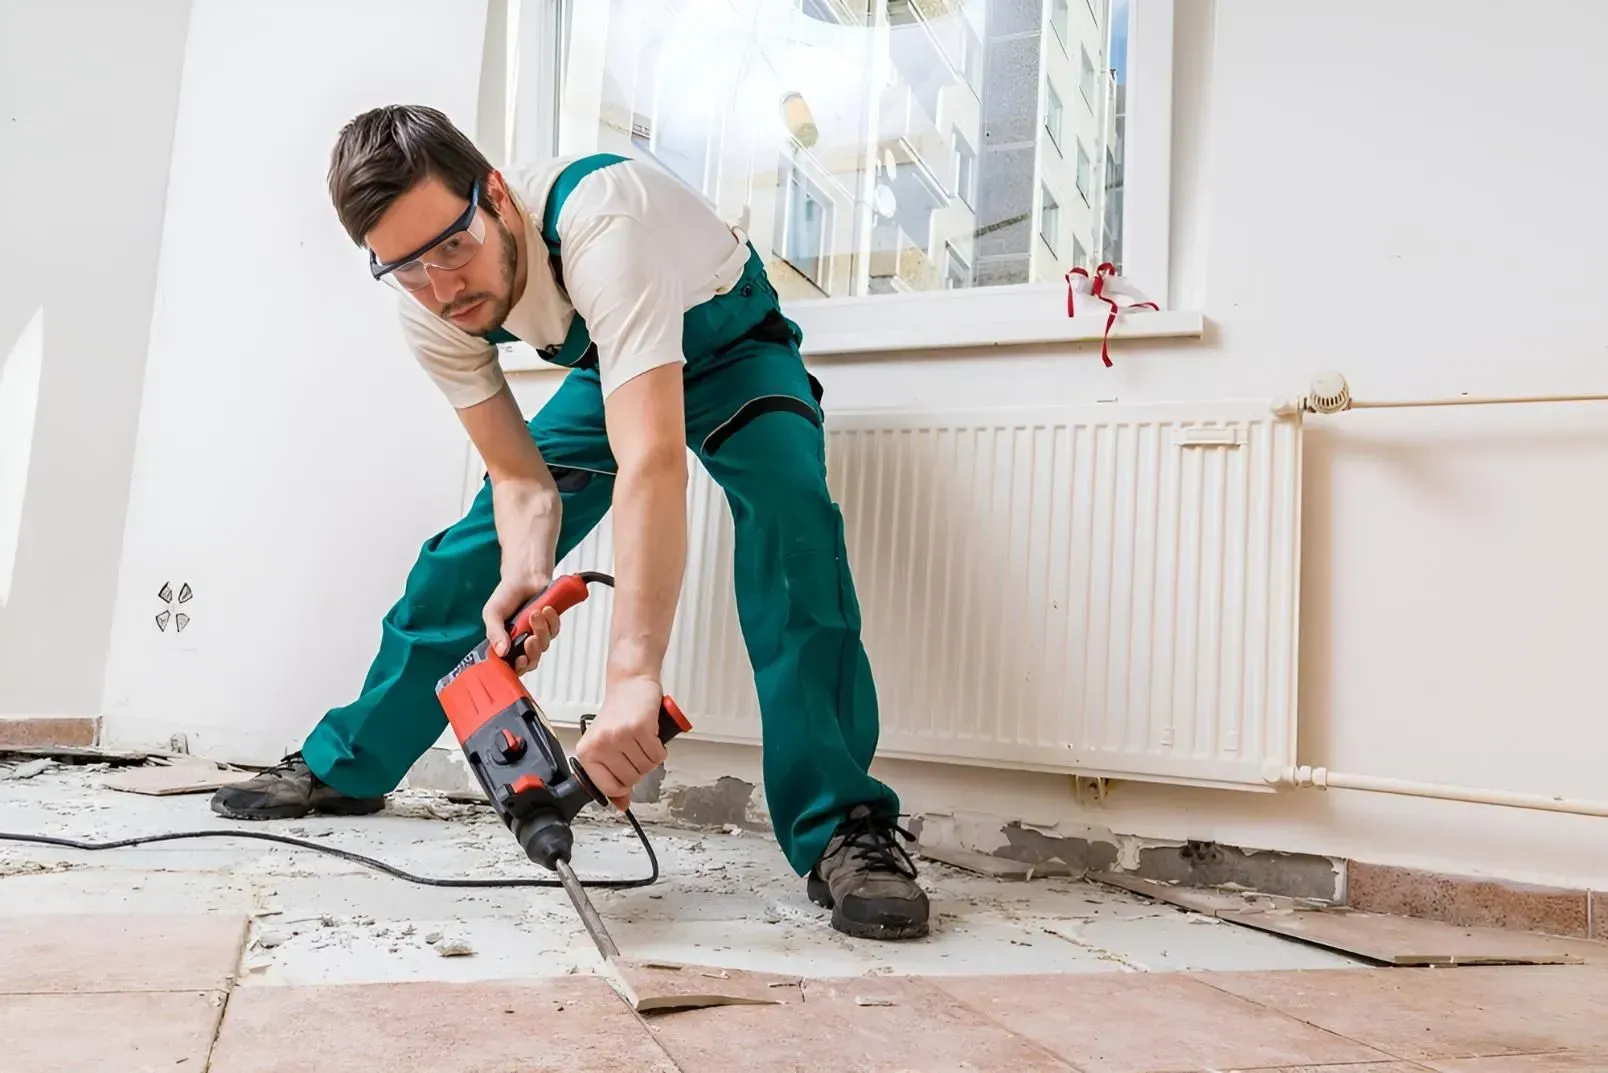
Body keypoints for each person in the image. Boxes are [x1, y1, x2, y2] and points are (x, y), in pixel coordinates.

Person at [209, 104, 929, 940]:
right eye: (407, 266)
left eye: (454, 245)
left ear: (496, 195)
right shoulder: (426, 305)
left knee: (793, 526)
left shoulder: (604, 224)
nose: (443, 287)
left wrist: (632, 678)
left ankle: (845, 826)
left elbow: (651, 462)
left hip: (730, 344)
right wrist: (525, 566)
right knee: (463, 559)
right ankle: (348, 763)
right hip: (612, 360)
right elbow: (521, 479)